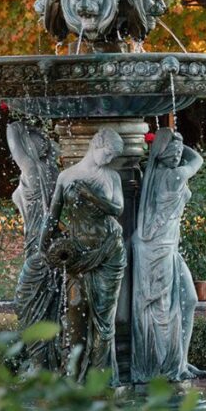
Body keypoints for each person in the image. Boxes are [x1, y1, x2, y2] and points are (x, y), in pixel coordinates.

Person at [39, 128, 126, 382]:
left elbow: (118, 208)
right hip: (77, 256)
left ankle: (102, 380)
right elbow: (52, 217)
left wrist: (91, 195)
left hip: (109, 252)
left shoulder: (111, 176)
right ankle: (74, 378)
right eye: (108, 153)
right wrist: (43, 248)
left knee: (104, 320)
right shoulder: (67, 176)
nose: (109, 160)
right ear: (96, 143)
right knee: (75, 316)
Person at [131, 128, 204, 383]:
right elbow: (197, 160)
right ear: (160, 156)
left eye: (177, 153)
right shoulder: (172, 177)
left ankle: (180, 359)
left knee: (188, 300)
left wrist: (169, 139)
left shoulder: (158, 175)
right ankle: (165, 365)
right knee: (163, 312)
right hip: (157, 250)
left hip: (167, 247)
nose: (176, 156)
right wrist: (175, 140)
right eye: (170, 152)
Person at [7, 122, 61, 370]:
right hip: (46, 248)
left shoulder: (34, 170)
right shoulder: (51, 170)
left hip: (39, 252)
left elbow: (12, 136)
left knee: (28, 303)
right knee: (44, 304)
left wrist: (16, 121)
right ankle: (46, 361)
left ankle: (41, 365)